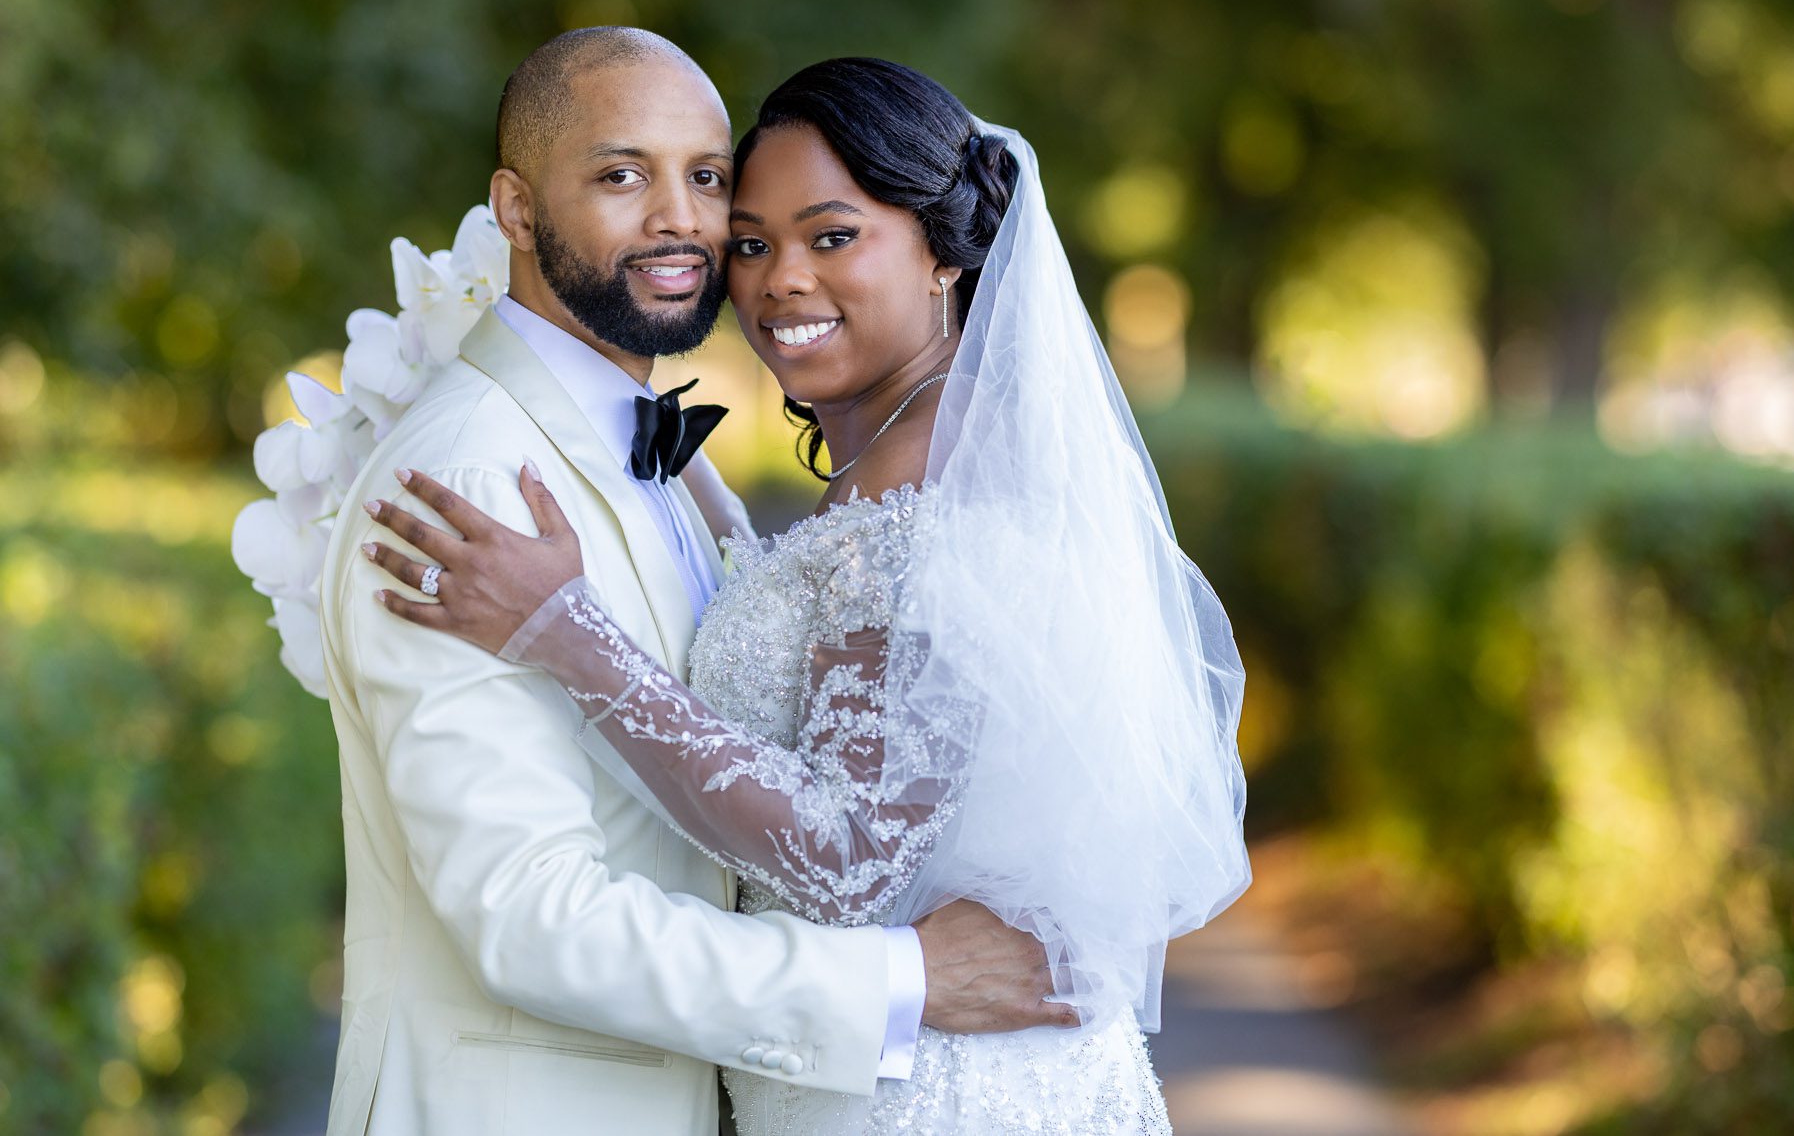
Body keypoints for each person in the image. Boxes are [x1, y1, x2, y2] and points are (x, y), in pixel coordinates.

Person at [361, 55, 1251, 1133]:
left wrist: (571, 634)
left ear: (941, 254)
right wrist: (720, 525)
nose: (778, 278)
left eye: (832, 236)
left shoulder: (932, 493)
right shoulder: (904, 465)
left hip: (930, 1088)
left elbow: (845, 856)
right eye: (752, 242)